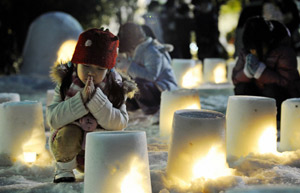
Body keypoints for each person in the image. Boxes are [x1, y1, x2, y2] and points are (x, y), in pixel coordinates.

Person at [47, 28, 137, 183]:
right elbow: (53, 119)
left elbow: (120, 123)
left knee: (108, 143)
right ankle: (64, 170)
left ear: (108, 70)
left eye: (100, 69)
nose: (92, 73)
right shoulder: (66, 83)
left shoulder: (116, 87)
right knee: (67, 133)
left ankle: (99, 168)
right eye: (86, 66)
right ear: (76, 64)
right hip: (70, 151)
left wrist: (96, 99)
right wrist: (81, 98)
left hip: (100, 149)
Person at [232, 16, 300, 121]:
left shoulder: (283, 52)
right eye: (251, 49)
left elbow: (288, 82)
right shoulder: (246, 53)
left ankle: (276, 121)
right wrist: (246, 73)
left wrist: (261, 72)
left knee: (271, 90)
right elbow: (235, 79)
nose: (253, 52)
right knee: (242, 88)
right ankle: (247, 119)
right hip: (259, 96)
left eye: (257, 48)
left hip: (282, 100)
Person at [116, 22, 177, 115]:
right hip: (151, 90)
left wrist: (128, 65)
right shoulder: (136, 50)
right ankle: (133, 107)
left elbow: (151, 76)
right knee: (125, 82)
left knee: (138, 83)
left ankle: (152, 110)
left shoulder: (152, 51)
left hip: (164, 90)